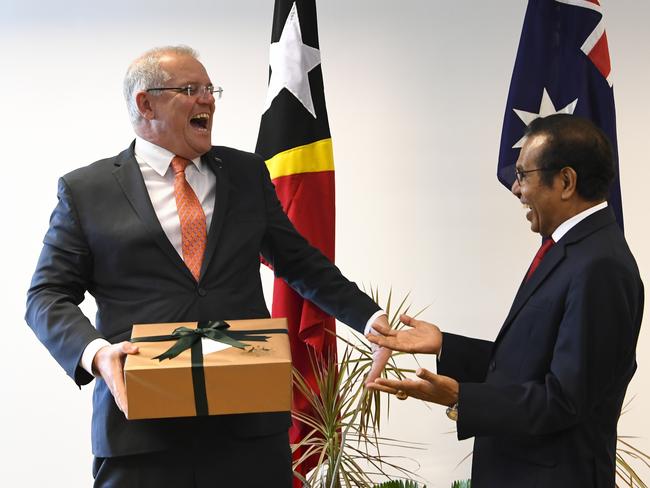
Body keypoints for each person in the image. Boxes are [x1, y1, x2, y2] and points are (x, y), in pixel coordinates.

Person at [25, 45, 390, 488]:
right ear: (146, 103)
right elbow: (46, 296)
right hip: (140, 436)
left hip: (250, 434)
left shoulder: (248, 173)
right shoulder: (86, 190)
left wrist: (370, 318)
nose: (208, 100)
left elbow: (301, 263)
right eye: (190, 89)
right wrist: (97, 354)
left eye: (210, 89)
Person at [367, 114, 644, 487]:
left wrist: (462, 396)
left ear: (565, 181)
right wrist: (446, 346)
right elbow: (530, 365)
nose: (515, 189)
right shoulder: (571, 251)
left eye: (523, 175)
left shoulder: (601, 266)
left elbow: (564, 400)